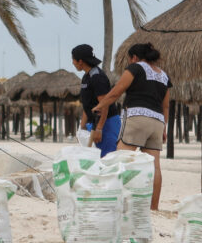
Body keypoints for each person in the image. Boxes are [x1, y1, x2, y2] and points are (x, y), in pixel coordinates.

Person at [92, 43, 171, 210]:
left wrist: (100, 106)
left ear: (134, 57)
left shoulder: (135, 68)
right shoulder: (163, 75)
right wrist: (164, 127)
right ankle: (154, 208)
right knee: (155, 166)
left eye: (129, 59)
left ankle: (114, 202)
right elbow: (166, 106)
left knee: (121, 159)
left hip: (137, 117)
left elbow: (117, 91)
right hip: (157, 121)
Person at [71, 44, 121, 157]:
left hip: (106, 123)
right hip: (93, 123)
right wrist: (82, 127)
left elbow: (104, 105)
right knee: (94, 158)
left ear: (80, 61)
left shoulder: (98, 77)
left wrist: (99, 129)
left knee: (107, 159)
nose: (72, 63)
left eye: (73, 59)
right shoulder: (86, 77)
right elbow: (87, 104)